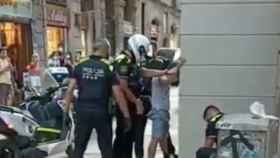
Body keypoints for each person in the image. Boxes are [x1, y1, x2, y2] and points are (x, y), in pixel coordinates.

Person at [64, 39, 131, 158]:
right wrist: (126, 115)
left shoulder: (80, 65)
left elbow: (69, 90)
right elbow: (118, 94)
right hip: (102, 113)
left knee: (79, 148)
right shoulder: (108, 67)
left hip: (83, 112)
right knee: (106, 150)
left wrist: (65, 112)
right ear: (104, 50)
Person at [113, 34, 168, 158]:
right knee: (123, 141)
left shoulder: (132, 60)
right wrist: (137, 101)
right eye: (142, 50)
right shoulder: (123, 59)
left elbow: (143, 72)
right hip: (125, 107)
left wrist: (161, 72)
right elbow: (123, 86)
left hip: (132, 106)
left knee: (131, 139)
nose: (143, 53)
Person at [144, 49, 185, 158]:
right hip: (159, 110)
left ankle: (166, 155)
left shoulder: (160, 72)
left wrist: (175, 67)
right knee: (156, 138)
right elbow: (167, 80)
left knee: (163, 136)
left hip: (163, 110)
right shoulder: (159, 74)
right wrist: (177, 66)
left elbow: (172, 79)